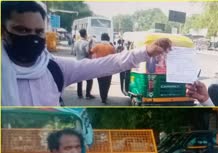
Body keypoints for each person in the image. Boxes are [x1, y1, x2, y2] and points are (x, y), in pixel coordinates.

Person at [1, 1, 171, 106]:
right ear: (3, 31)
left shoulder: (54, 68)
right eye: (22, 30)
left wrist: (146, 52)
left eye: (38, 31)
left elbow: (108, 64)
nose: (32, 37)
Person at [91, 33, 116, 104]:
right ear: (108, 38)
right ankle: (105, 96)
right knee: (107, 83)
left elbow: (90, 51)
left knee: (101, 83)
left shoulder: (97, 46)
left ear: (101, 38)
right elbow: (115, 56)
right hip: (109, 68)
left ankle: (102, 97)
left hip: (99, 67)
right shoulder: (111, 47)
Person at [74, 29, 95, 99]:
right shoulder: (86, 43)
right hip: (85, 63)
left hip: (77, 62)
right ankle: (88, 94)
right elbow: (87, 52)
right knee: (89, 79)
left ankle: (79, 94)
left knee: (79, 79)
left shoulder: (76, 42)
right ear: (85, 34)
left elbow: (74, 52)